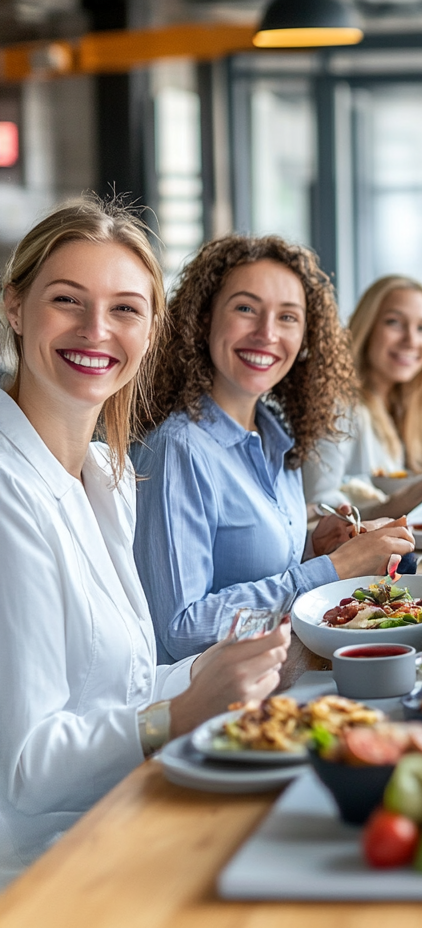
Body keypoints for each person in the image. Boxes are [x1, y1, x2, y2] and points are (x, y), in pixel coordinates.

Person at [0, 198, 290, 887]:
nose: (96, 330)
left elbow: (118, 690)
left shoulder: (107, 474)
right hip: (40, 876)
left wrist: (224, 670)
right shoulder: (9, 494)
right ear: (14, 307)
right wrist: (185, 710)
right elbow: (25, 770)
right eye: (67, 300)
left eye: (125, 309)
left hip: (119, 824)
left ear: (153, 328)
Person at [133, 234, 414, 662]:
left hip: (281, 670)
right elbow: (180, 630)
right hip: (213, 707)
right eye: (246, 308)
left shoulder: (276, 436)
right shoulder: (178, 450)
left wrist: (314, 548)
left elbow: (245, 567)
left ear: (306, 337)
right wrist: (331, 570)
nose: (266, 333)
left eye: (287, 317)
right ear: (204, 317)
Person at [302, 274, 422, 516]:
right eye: (394, 322)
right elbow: (320, 516)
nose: (411, 340)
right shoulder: (336, 405)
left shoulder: (407, 406)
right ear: (366, 327)